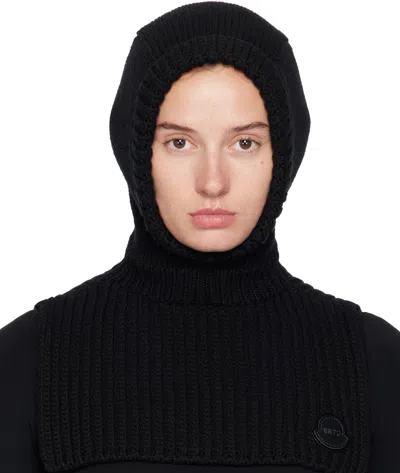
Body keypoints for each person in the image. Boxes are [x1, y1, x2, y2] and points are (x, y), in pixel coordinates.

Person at [1, 1, 399, 472]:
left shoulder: (372, 364)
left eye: (245, 143)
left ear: (285, 154)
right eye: (179, 142)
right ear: (136, 152)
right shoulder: (30, 360)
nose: (212, 182)